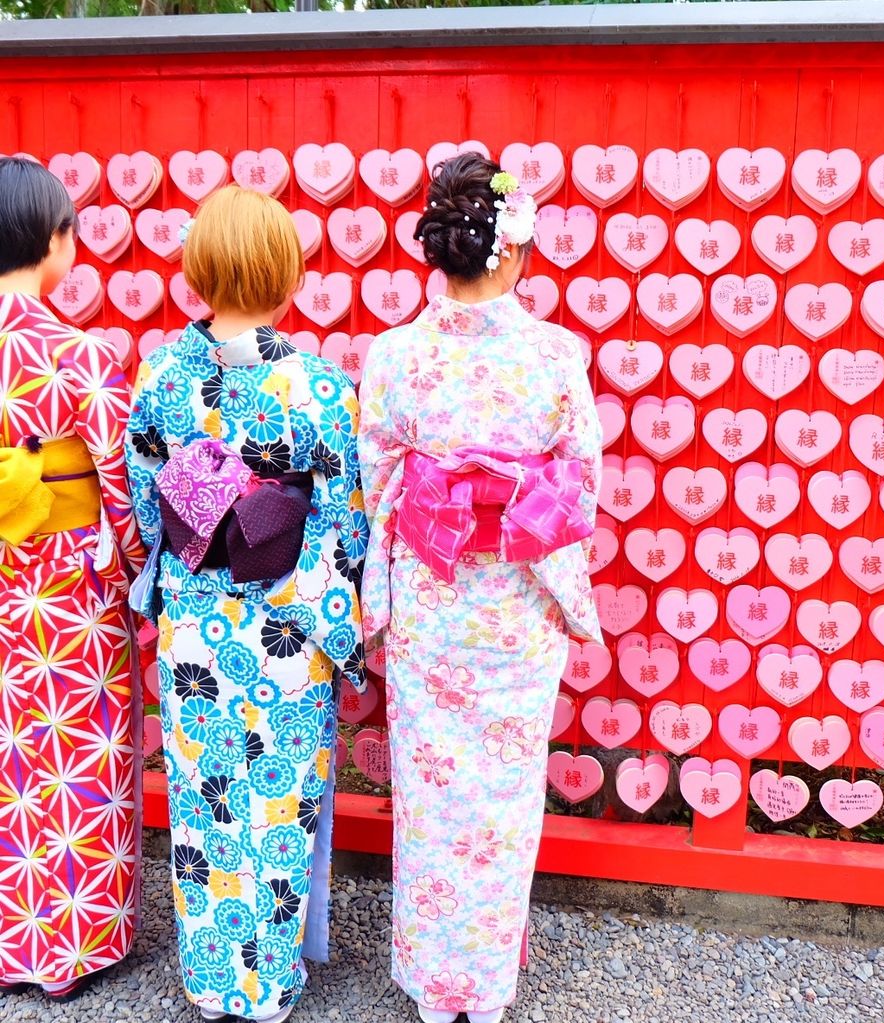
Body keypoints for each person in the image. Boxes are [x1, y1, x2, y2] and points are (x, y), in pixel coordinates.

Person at [358, 153, 603, 1023]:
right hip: (516, 606)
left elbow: (376, 473)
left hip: (433, 593)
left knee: (431, 793)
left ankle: (437, 983)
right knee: (499, 794)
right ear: (512, 250)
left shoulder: (393, 356)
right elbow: (580, 478)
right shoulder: (553, 354)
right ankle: (484, 983)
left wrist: (438, 493)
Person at [125, 185, 365, 1023]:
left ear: (199, 270)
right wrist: (334, 624)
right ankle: (264, 983)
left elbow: (148, 512)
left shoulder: (160, 379)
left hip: (194, 628)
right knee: (273, 803)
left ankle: (209, 976)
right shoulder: (321, 389)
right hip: (288, 629)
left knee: (204, 800)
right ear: (286, 272)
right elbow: (342, 521)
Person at [0, 157, 146, 999]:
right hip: (65, 595)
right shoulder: (76, 352)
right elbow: (118, 485)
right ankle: (71, 947)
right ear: (57, 242)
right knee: (74, 756)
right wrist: (135, 571)